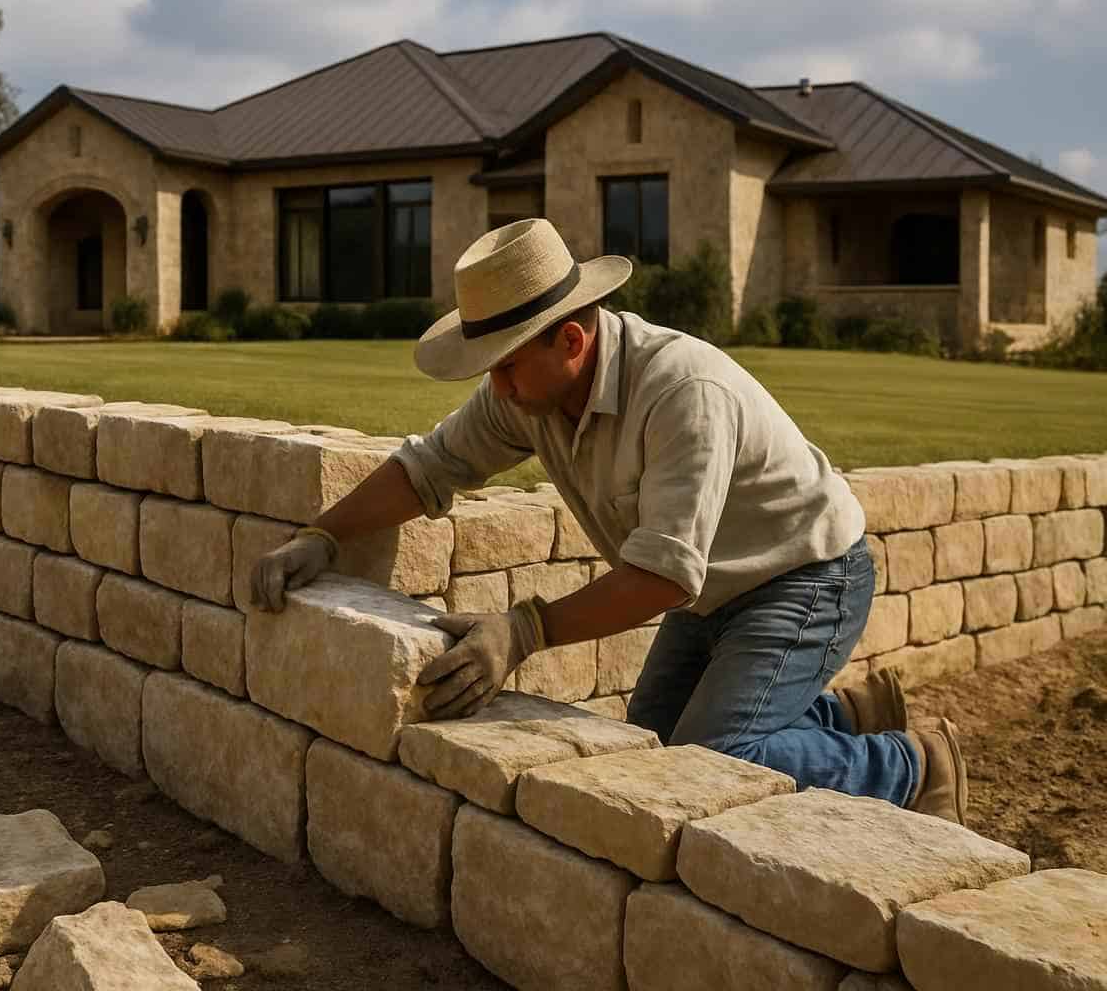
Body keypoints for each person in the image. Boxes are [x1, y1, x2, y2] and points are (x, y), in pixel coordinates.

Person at [251, 218, 968, 825]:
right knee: (651, 747)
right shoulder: (528, 394)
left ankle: (912, 764)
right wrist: (324, 534)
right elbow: (430, 466)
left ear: (570, 340)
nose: (496, 388)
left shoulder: (682, 392)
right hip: (712, 591)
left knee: (712, 760)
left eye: (505, 366)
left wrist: (523, 631)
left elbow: (662, 577)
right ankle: (841, 717)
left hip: (804, 578)